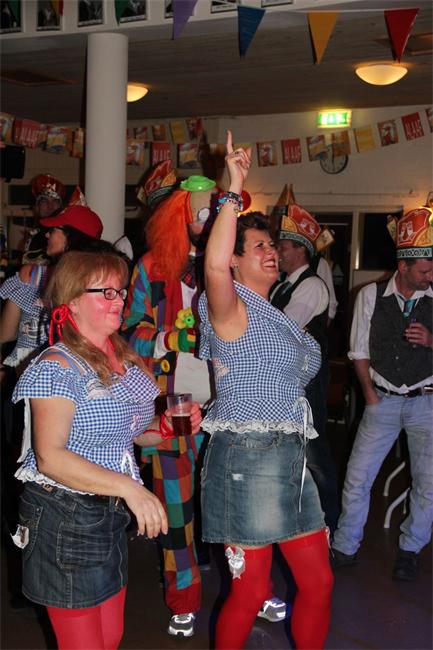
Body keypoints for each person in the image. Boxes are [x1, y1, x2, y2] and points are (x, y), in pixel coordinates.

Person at [10, 249, 202, 649]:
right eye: (106, 292)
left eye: (121, 291)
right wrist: (131, 489)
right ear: (72, 301)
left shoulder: (123, 359)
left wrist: (166, 426)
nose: (119, 300)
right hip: (65, 515)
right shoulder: (57, 365)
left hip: (109, 516)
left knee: (110, 637)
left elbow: (135, 435)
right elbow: (50, 457)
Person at [198, 131, 333, 649]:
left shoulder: (277, 315)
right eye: (259, 247)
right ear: (235, 260)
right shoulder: (229, 310)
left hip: (290, 457)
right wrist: (233, 189)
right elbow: (213, 266)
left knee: (319, 582)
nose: (272, 252)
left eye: (273, 245)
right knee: (251, 590)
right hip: (246, 458)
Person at [332, 206, 433, 581]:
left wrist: (431, 340)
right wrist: (369, 395)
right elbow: (358, 350)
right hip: (382, 399)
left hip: (427, 400)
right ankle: (345, 546)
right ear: (403, 267)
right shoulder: (370, 295)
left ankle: (410, 549)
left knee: (428, 484)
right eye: (424, 271)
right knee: (357, 477)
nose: (430, 277)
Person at [270, 205, 340, 535]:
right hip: (289, 381)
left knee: (315, 453)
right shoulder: (281, 285)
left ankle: (329, 522)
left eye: (283, 247)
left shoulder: (311, 285)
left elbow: (284, 329)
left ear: (300, 250)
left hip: (308, 382)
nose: (278, 253)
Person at [0, 205, 103, 374]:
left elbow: (6, 333)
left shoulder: (31, 275)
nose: (47, 235)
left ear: (71, 237)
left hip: (31, 379)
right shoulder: (100, 284)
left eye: (53, 230)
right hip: (82, 377)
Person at [23, 173, 66, 265]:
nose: (50, 206)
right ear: (37, 207)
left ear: (61, 206)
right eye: (44, 201)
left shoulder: (68, 234)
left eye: (55, 201)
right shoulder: (33, 236)